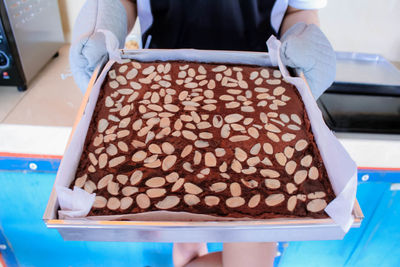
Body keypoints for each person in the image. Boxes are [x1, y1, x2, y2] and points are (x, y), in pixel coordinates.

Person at [70, 1, 335, 266]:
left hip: (259, 101)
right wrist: (105, 23)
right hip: (164, 94)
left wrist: (303, 35)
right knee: (186, 240)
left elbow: (298, 9)